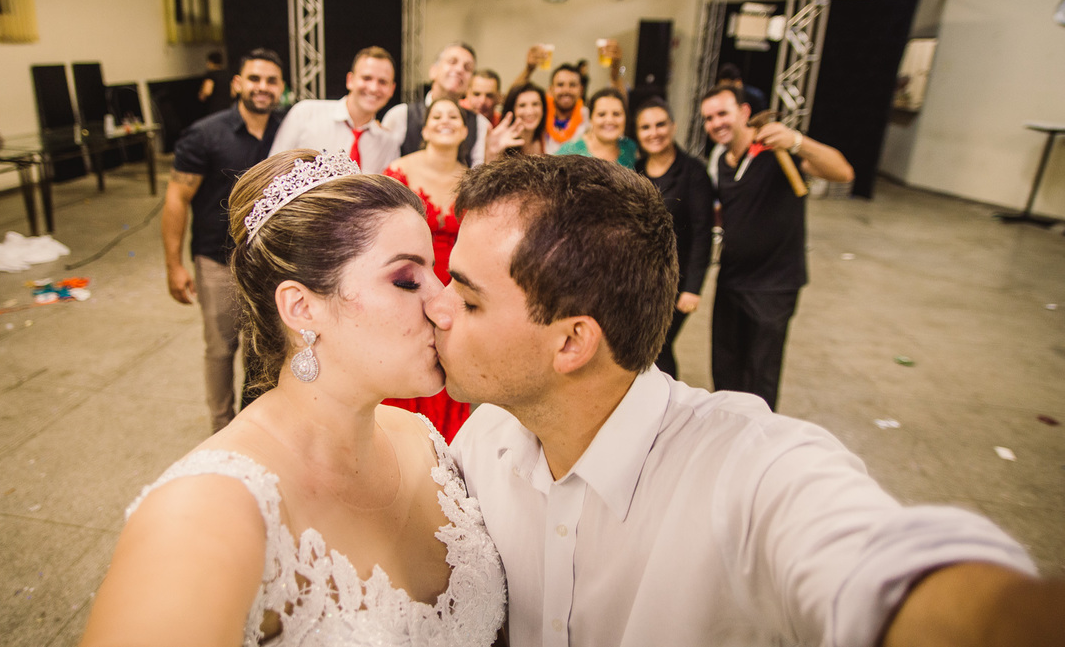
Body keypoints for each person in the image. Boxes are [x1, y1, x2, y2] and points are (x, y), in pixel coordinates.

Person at [431, 155, 1059, 647]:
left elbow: (875, 570)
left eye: (470, 299)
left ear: (573, 341)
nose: (439, 307)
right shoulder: (483, 442)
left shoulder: (754, 473)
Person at [81, 150, 506, 647]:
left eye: (436, 273)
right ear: (301, 307)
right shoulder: (205, 514)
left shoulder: (423, 440)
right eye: (407, 280)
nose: (443, 302)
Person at [702, 81, 853, 410]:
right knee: (725, 372)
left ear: (744, 112)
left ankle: (758, 449)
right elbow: (727, 215)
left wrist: (797, 142)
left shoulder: (778, 154)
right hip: (731, 280)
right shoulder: (723, 163)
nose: (716, 123)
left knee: (760, 378)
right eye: (709, 118)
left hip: (773, 286)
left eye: (722, 114)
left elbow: (842, 171)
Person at [163, 47, 286, 432]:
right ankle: (221, 429)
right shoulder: (205, 135)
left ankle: (256, 428)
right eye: (254, 79)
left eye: (271, 81)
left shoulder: (287, 132)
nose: (262, 87)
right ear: (237, 84)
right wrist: (174, 265)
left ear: (281, 88)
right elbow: (176, 199)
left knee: (266, 352)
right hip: (218, 263)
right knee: (220, 349)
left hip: (269, 265)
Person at [381, 98, 473, 441]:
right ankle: (397, 439)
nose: (445, 121)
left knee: (447, 362)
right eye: (438, 115)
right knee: (408, 355)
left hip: (455, 288)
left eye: (454, 116)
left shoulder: (472, 179)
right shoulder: (399, 171)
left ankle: (444, 445)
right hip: (408, 284)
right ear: (425, 128)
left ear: (465, 130)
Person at [633, 96, 714, 378]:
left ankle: (667, 407)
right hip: (640, 278)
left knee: (660, 347)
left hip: (676, 280)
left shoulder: (694, 172)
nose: (653, 132)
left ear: (673, 126)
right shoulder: (635, 169)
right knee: (640, 346)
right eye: (645, 127)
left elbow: (704, 232)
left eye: (660, 124)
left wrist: (693, 288)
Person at [270, 46, 399, 174]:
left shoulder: (389, 143)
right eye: (366, 78)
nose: (373, 88)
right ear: (350, 80)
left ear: (392, 89)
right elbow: (271, 170)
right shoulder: (305, 114)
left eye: (382, 82)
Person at [382, 42, 490, 167]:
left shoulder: (480, 124)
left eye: (467, 68)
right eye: (452, 62)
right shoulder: (400, 115)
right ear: (433, 71)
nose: (460, 70)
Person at [555, 88, 637, 168]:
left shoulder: (630, 149)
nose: (609, 120)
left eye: (616, 114)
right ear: (590, 119)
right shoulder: (569, 152)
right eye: (601, 114)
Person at [496, 82, 548, 157]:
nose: (530, 112)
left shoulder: (545, 139)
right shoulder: (502, 145)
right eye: (522, 105)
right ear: (512, 110)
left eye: (535, 104)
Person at [197, 50, 233, 117]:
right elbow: (233, 93)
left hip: (216, 109)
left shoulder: (211, 75)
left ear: (210, 62)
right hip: (228, 107)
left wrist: (201, 95)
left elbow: (207, 91)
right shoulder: (227, 74)